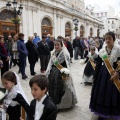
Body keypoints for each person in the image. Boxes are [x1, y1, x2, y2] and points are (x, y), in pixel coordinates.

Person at [89, 32, 120, 120]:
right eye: (106, 38)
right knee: (102, 93)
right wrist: (95, 75)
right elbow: (98, 63)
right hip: (102, 75)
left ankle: (112, 112)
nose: (107, 40)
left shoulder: (118, 50)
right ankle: (102, 113)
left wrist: (118, 73)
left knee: (112, 95)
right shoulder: (102, 50)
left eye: (109, 38)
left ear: (113, 39)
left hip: (114, 75)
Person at [46, 38, 77, 109]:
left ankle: (59, 105)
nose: (56, 46)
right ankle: (52, 102)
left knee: (61, 89)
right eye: (55, 45)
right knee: (52, 87)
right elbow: (51, 63)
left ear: (61, 45)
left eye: (58, 45)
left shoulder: (65, 54)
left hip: (61, 74)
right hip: (53, 74)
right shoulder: (53, 52)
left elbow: (67, 65)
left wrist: (65, 74)